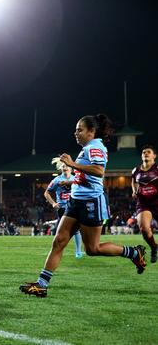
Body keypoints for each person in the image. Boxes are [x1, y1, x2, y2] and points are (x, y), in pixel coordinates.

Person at [20, 114, 147, 297]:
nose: (76, 133)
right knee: (59, 241)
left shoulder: (95, 147)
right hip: (75, 201)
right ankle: (42, 284)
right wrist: (72, 183)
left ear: (91, 132)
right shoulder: (87, 148)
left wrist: (72, 164)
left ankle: (134, 253)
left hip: (90, 203)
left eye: (80, 130)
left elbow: (99, 171)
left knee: (92, 249)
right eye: (76, 130)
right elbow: (86, 176)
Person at [44, 157, 84, 258]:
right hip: (63, 208)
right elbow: (47, 192)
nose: (65, 168)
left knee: (76, 230)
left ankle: (78, 252)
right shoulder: (57, 180)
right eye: (63, 167)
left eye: (66, 166)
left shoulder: (75, 178)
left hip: (74, 207)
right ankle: (58, 250)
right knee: (63, 231)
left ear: (71, 168)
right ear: (61, 169)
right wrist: (53, 203)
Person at [131, 144, 158, 263]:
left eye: (148, 152)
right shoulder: (136, 170)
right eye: (143, 152)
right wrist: (134, 191)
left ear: (154, 156)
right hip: (143, 203)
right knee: (144, 229)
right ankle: (154, 247)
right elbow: (133, 182)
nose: (145, 154)